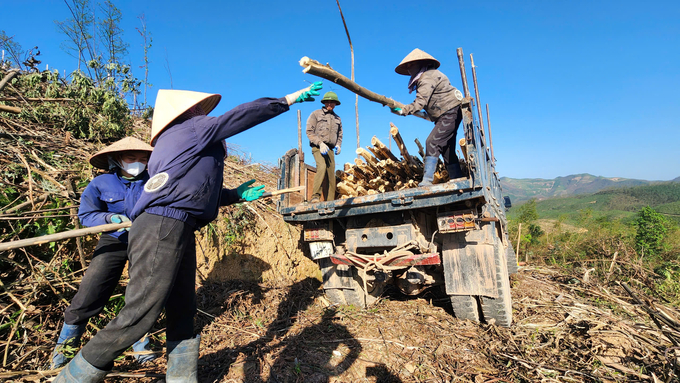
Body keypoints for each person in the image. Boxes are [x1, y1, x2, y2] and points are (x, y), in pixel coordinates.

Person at [54, 82, 322, 383]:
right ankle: (71, 377)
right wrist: (286, 100)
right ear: (184, 113)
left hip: (177, 224)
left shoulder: (175, 142)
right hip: (162, 225)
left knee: (183, 307)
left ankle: (181, 377)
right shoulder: (191, 128)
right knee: (141, 310)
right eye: (197, 109)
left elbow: (191, 190)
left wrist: (234, 194)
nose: (202, 114)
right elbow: (235, 118)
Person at [51, 137, 156, 369]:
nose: (137, 163)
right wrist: (110, 218)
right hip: (114, 239)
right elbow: (87, 215)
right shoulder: (101, 183)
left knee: (141, 294)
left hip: (146, 241)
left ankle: (143, 352)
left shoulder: (154, 181)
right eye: (131, 158)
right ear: (117, 159)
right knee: (88, 294)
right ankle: (61, 356)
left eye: (143, 159)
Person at [390, 48, 465, 186]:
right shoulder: (429, 76)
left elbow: (420, 103)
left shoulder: (426, 78)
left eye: (410, 65)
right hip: (449, 112)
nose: (408, 68)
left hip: (450, 112)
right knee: (447, 148)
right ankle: (457, 178)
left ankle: (427, 180)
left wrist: (404, 110)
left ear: (420, 63)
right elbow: (427, 110)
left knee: (432, 142)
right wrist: (403, 109)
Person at [306, 91, 343, 203]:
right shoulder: (316, 114)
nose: (329, 104)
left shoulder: (338, 119)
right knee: (321, 167)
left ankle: (330, 201)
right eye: (328, 102)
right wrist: (320, 143)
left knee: (331, 176)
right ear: (324, 102)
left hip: (330, 150)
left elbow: (340, 135)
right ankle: (315, 197)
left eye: (332, 102)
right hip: (318, 148)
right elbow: (309, 131)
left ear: (335, 104)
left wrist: (338, 145)